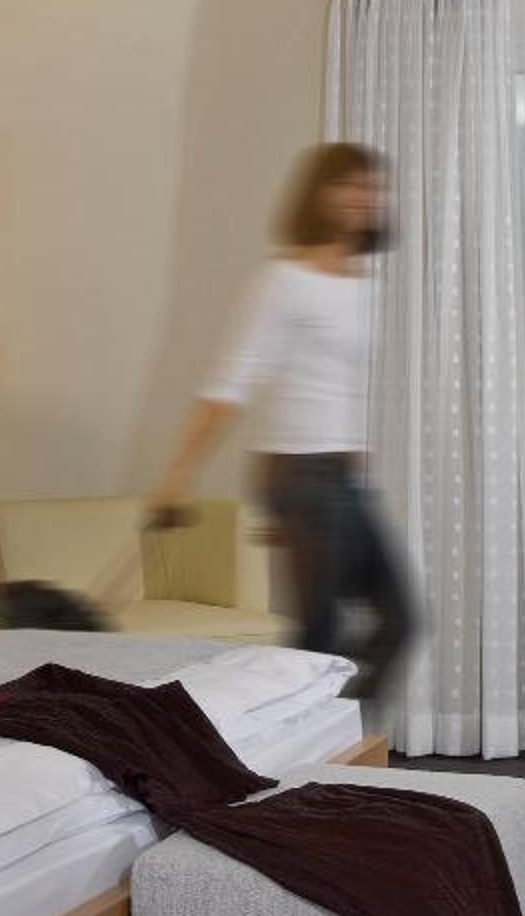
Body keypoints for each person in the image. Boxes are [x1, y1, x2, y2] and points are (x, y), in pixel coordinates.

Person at [148, 142, 417, 702]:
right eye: (349, 184)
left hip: (337, 478)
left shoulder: (367, 284)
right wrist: (177, 478)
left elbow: (344, 389)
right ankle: (306, 734)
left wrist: (353, 462)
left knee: (399, 620)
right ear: (319, 194)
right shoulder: (284, 280)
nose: (364, 196)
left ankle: (313, 727)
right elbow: (230, 383)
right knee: (322, 634)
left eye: (372, 186)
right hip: (301, 473)